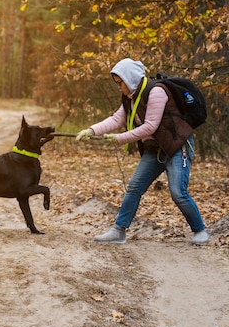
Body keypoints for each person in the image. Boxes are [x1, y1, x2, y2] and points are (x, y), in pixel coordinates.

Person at [75, 58, 210, 245]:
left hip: (178, 146)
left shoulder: (156, 92)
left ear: (129, 79)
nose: (118, 87)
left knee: (178, 192)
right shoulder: (130, 98)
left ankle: (200, 230)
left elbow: (150, 127)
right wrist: (91, 130)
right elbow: (115, 120)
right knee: (134, 187)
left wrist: (118, 138)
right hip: (155, 149)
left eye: (119, 82)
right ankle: (118, 231)